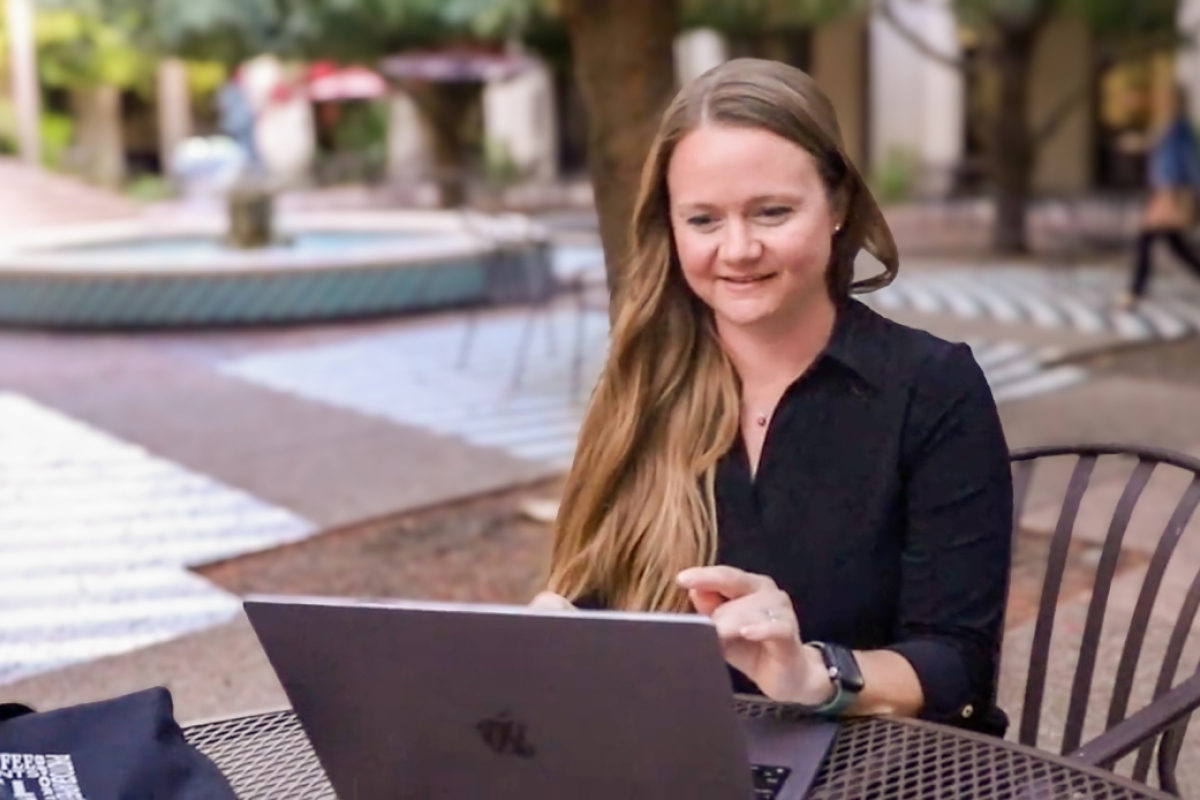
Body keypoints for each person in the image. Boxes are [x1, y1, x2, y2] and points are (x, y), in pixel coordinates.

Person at [531, 58, 1013, 736]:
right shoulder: (645, 379)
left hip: (880, 761)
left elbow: (956, 668)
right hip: (680, 752)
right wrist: (557, 628)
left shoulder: (932, 387)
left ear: (839, 205)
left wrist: (815, 675)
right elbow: (597, 589)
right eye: (702, 220)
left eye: (773, 212)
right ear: (669, 227)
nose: (738, 249)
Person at [1117, 86, 1200, 309]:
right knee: (1176, 245)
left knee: (1146, 240)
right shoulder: (1166, 126)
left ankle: (1134, 291)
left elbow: (1189, 161)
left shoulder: (1180, 129)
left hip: (1171, 193)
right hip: (1163, 192)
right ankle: (1135, 290)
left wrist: (1192, 190)